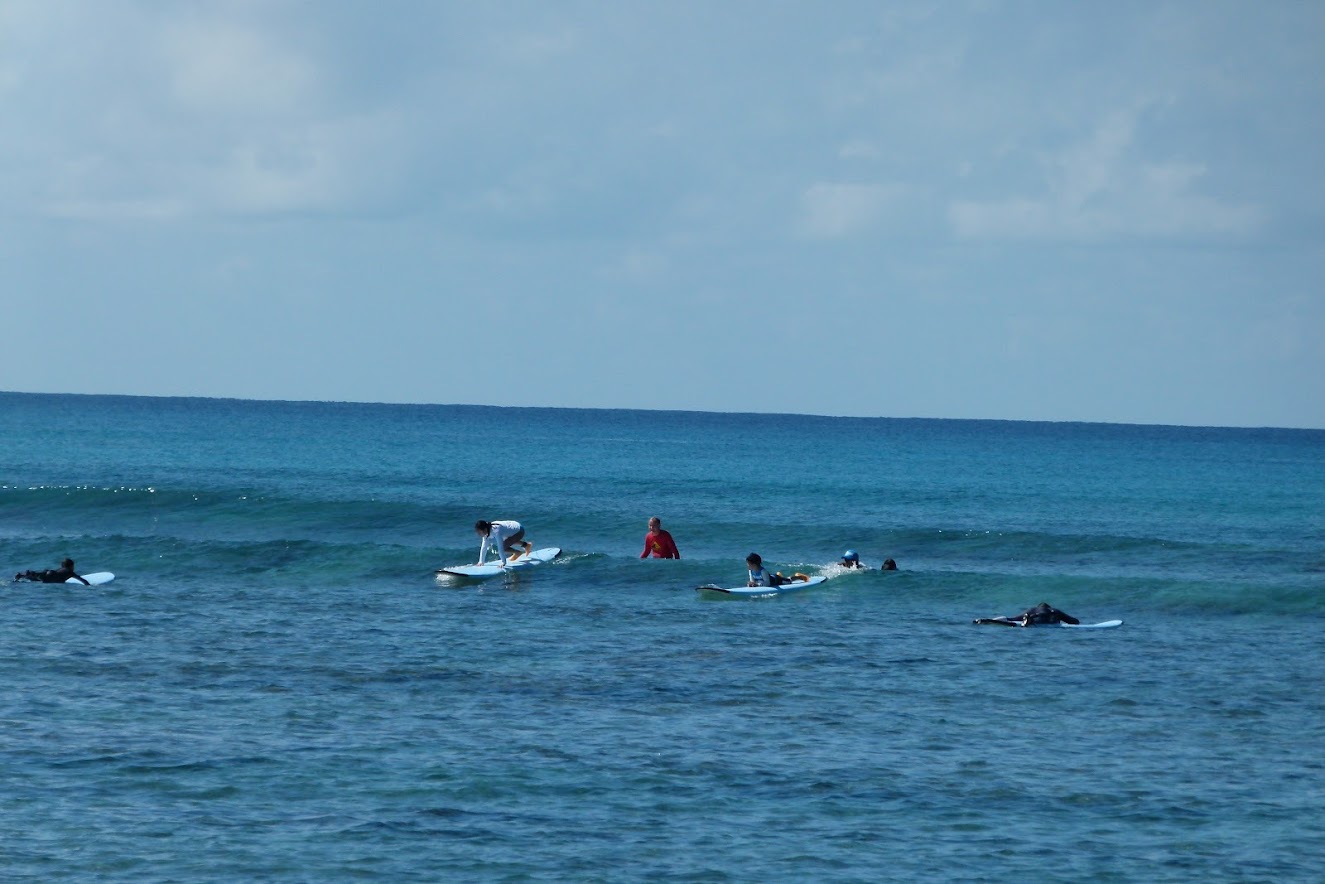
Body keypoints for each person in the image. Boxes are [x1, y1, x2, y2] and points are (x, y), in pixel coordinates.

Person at [974, 602, 1079, 627]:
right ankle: (1030, 621)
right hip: (1046, 618)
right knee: (1048, 621)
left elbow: (1011, 619)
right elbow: (1074, 622)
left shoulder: (1032, 609)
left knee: (1010, 619)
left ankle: (988, 620)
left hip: (1030, 615)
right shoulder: (1054, 610)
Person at [15, 558, 90, 585]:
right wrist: (89, 586)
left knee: (36, 577)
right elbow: (82, 580)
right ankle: (26, 575)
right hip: (52, 576)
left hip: (50, 572)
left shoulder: (61, 569)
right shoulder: (69, 571)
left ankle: (22, 575)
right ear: (71, 566)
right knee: (39, 579)